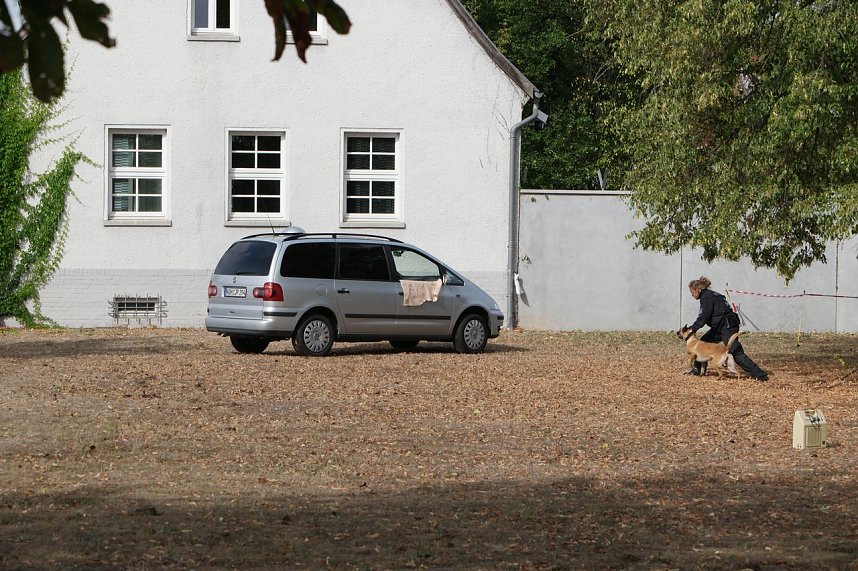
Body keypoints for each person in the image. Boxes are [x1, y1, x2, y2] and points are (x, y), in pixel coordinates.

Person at [686, 276, 769, 381]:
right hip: (719, 326)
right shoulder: (710, 295)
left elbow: (704, 316)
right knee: (702, 343)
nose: (691, 294)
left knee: (734, 350)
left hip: (727, 325)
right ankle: (697, 370)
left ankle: (760, 375)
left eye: (692, 292)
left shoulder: (706, 297)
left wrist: (692, 329)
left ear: (698, 290)